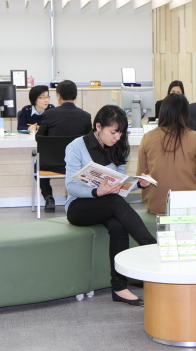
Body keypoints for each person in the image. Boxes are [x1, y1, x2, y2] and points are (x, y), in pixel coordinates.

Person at [65, 105, 157, 307]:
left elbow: (120, 186)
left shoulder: (118, 147)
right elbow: (70, 187)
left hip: (107, 203)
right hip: (79, 207)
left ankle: (119, 288)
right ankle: (151, 246)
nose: (117, 137)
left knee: (118, 225)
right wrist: (98, 192)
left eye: (120, 133)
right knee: (115, 202)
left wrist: (137, 184)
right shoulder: (76, 147)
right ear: (98, 126)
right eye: (113, 132)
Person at [137, 93, 196, 214]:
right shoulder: (195, 137)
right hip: (189, 204)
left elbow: (141, 175)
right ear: (186, 113)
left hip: (157, 205)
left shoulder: (148, 137)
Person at [36, 80, 92, 212]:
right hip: (78, 166)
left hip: (51, 164)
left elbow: (39, 138)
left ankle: (49, 197)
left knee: (36, 164)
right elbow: (90, 141)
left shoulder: (49, 114)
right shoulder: (85, 116)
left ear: (59, 96)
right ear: (76, 96)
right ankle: (79, 196)